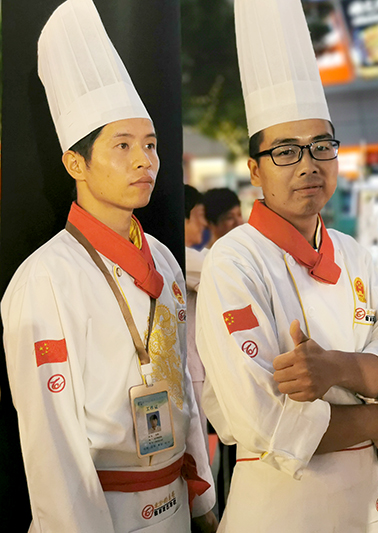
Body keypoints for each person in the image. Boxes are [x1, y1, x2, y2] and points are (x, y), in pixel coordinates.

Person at [195, 0, 378, 530]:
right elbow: (260, 417)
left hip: (367, 506)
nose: (309, 164)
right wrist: (373, 418)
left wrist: (335, 369)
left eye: (321, 146)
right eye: (287, 152)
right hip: (281, 508)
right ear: (255, 170)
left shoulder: (355, 253)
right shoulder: (235, 260)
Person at [1, 0, 217, 531]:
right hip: (105, 512)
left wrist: (204, 501)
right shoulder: (44, 279)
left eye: (150, 143)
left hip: (176, 499)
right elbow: (53, 449)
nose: (146, 160)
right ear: (76, 163)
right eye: (122, 145)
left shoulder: (164, 259)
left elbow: (182, 383)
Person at [185, 185, 210, 438]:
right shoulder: (184, 258)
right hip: (191, 371)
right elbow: (226, 271)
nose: (204, 224)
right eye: (199, 215)